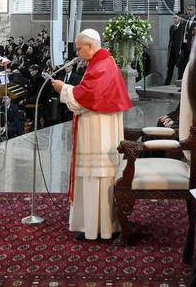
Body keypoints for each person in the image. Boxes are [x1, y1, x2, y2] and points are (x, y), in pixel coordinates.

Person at [51, 28, 132, 240]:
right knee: (94, 178)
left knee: (96, 176)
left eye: (79, 48)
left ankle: (99, 228)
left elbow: (87, 97)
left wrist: (63, 88)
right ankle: (92, 225)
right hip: (98, 130)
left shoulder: (102, 64)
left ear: (90, 45)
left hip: (98, 135)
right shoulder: (100, 62)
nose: (77, 53)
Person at [165, 14, 185, 86]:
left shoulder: (182, 27)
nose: (174, 19)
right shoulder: (171, 27)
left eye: (176, 18)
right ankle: (166, 83)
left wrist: (181, 50)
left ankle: (180, 83)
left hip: (178, 50)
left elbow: (182, 39)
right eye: (173, 18)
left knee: (180, 68)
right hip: (172, 51)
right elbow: (171, 39)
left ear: (179, 19)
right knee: (170, 68)